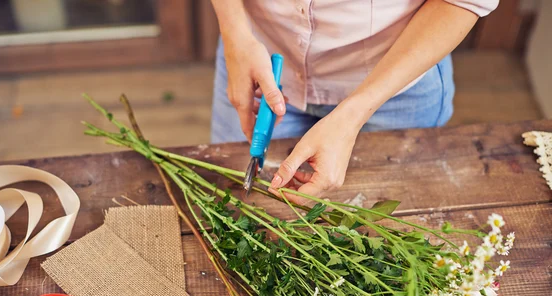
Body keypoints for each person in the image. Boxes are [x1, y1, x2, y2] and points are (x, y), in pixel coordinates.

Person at [209, 0, 499, 203]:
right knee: (233, 192)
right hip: (256, 61)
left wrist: (352, 115)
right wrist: (234, 36)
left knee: (391, 209)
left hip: (393, 82)